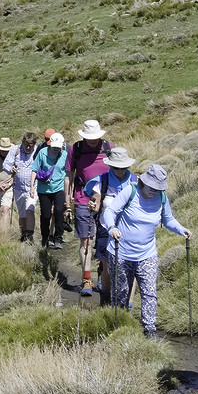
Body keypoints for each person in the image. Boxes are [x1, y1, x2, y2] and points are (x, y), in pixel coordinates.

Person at [102, 162, 189, 337]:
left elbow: (169, 219)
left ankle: (150, 328)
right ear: (144, 182)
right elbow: (110, 211)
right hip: (121, 252)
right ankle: (119, 325)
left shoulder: (162, 199)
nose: (153, 192)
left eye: (157, 189)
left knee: (149, 292)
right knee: (121, 292)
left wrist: (182, 230)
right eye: (151, 188)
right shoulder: (130, 191)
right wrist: (111, 228)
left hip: (147, 254)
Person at [68, 119, 114, 295]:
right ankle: (86, 280)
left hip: (107, 199)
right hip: (82, 199)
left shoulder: (108, 148)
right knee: (86, 240)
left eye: (95, 137)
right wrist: (68, 201)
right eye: (90, 137)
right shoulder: (76, 149)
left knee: (104, 239)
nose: (93, 140)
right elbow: (69, 175)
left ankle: (104, 278)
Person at [88, 146, 137, 300]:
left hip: (129, 229)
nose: (120, 171)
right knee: (108, 268)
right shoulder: (102, 180)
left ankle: (128, 301)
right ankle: (107, 298)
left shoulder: (135, 181)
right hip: (105, 228)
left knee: (130, 267)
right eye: (116, 167)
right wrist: (93, 205)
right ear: (110, 165)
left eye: (123, 167)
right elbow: (95, 200)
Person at [33, 130, 69, 247]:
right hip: (44, 189)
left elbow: (68, 173)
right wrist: (31, 187)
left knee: (59, 212)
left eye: (58, 148)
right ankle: (45, 237)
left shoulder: (64, 155)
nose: (56, 149)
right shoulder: (42, 152)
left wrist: (69, 191)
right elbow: (34, 169)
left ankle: (58, 238)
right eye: (54, 147)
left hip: (59, 188)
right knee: (46, 215)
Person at [8, 132, 40, 242]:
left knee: (30, 209)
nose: (27, 147)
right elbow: (6, 164)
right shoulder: (15, 149)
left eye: (30, 145)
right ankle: (23, 235)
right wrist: (11, 168)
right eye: (26, 144)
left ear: (34, 144)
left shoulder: (37, 151)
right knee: (22, 214)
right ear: (22, 142)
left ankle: (30, 236)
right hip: (18, 188)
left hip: (32, 187)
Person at [0, 137, 17, 227]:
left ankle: (4, 232)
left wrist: (9, 184)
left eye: (7, 150)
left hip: (9, 188)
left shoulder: (15, 158)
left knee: (5, 209)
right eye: (3, 150)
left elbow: (17, 174)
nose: (5, 152)